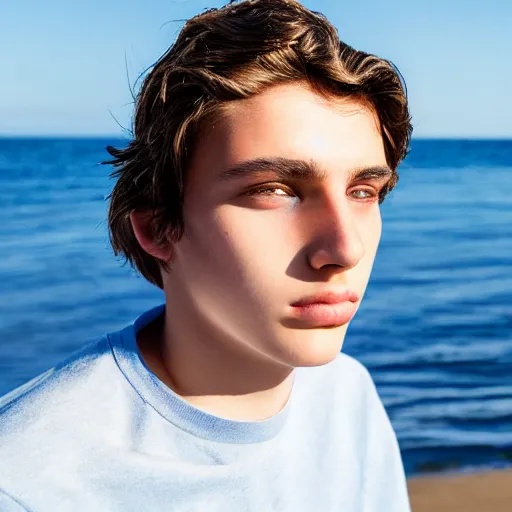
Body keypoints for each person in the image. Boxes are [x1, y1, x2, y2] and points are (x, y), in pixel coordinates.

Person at [0, 0, 413, 510]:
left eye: (363, 191)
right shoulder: (26, 482)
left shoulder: (348, 395)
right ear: (158, 228)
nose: (344, 248)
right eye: (274, 189)